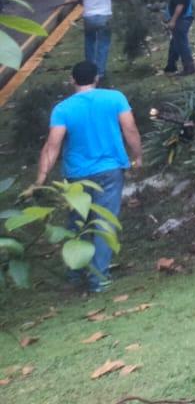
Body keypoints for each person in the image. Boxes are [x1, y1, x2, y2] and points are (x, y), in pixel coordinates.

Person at [34, 60, 141, 292]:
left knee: (77, 222)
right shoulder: (115, 98)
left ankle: (74, 273)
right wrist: (137, 156)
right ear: (96, 78)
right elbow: (130, 129)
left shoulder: (62, 109)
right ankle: (98, 278)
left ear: (72, 80)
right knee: (104, 223)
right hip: (111, 170)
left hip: (77, 176)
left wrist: (40, 179)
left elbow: (52, 146)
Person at [70, 0, 132, 81]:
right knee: (103, 44)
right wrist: (132, 1)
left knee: (89, 43)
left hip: (89, 17)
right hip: (105, 17)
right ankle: (100, 72)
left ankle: (89, 71)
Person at [163, 0, 195, 76]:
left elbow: (180, 5)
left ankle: (189, 67)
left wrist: (173, 20)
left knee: (181, 43)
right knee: (175, 42)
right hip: (180, 18)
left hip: (182, 19)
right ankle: (171, 66)